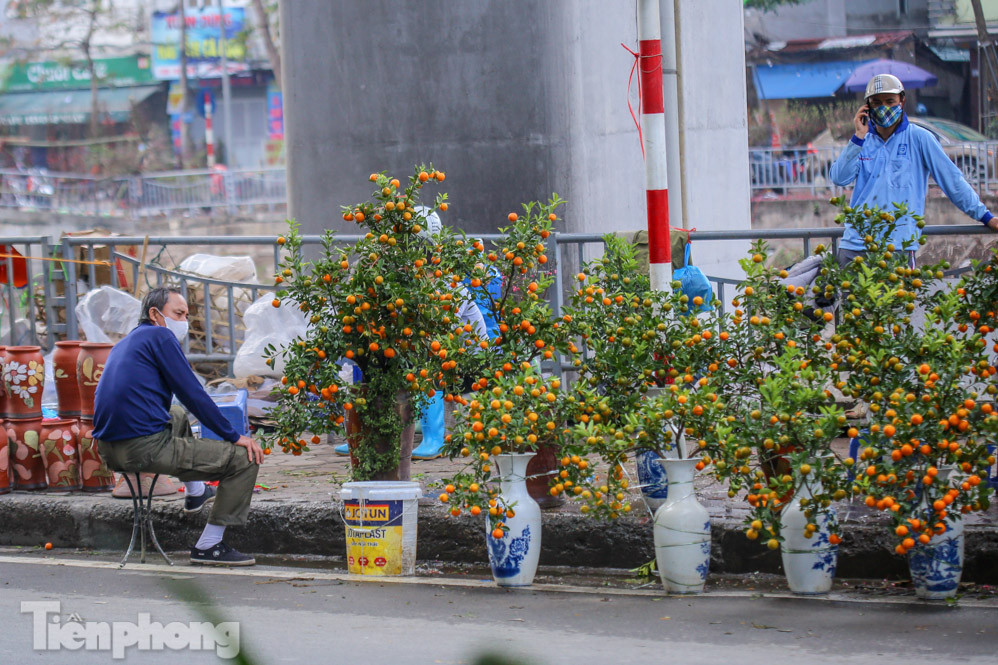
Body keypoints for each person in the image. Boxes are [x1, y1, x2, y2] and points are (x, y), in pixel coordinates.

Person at [93, 288, 264, 566]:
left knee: (175, 414)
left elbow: (180, 403)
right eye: (178, 314)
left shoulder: (128, 342)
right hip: (143, 448)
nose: (184, 321)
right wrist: (234, 436)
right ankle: (210, 545)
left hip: (109, 450)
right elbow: (192, 393)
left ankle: (195, 493)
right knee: (245, 459)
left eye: (186, 314)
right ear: (155, 314)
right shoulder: (160, 335)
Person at [830, 73, 998, 267]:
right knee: (852, 298)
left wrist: (985, 216)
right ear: (867, 107)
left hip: (897, 248)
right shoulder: (862, 141)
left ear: (902, 101)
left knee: (898, 298)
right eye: (877, 102)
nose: (884, 107)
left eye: (890, 101)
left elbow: (952, 181)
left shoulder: (920, 138)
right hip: (855, 246)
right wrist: (858, 137)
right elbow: (839, 178)